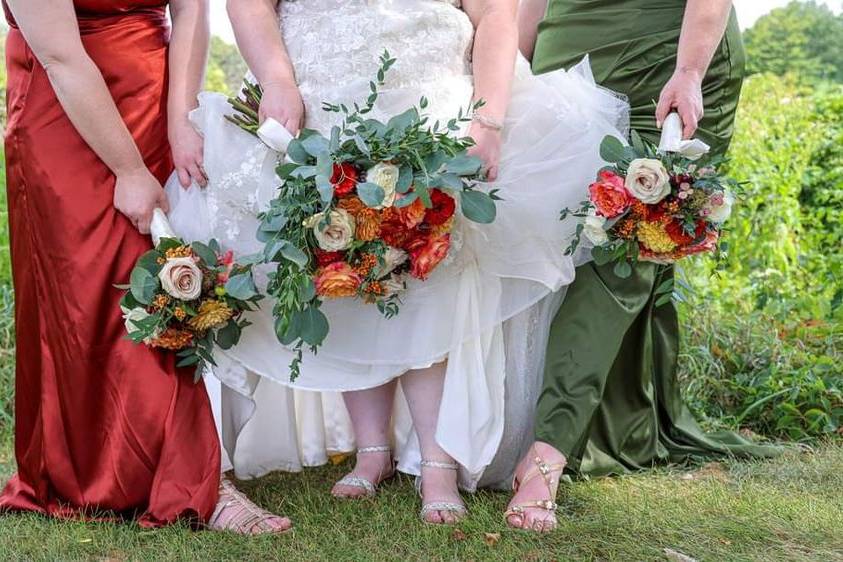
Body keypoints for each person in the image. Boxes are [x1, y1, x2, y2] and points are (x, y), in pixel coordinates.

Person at [167, 0, 627, 525]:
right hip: (320, 97)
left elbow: (497, 15)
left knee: (429, 272)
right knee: (341, 266)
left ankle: (437, 464)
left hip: (428, 98)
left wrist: (489, 116)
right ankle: (372, 450)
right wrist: (275, 76)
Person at [0, 0, 288, 534]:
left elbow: (192, 10)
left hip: (156, 96)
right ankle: (156, 477)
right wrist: (128, 168)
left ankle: (189, 468)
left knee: (174, 277)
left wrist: (180, 121)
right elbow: (62, 56)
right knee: (99, 293)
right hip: (67, 112)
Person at [507, 0, 780, 532]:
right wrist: (515, 67)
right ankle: (622, 427)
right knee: (555, 233)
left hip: (671, 52)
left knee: (628, 244)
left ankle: (549, 453)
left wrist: (690, 71)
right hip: (571, 52)